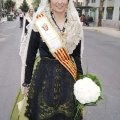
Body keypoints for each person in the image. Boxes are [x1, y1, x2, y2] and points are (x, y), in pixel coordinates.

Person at [11, 0, 84, 120]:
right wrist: (27, 82)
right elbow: (31, 55)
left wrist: (81, 81)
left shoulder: (75, 24)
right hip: (44, 79)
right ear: (49, 1)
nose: (60, 2)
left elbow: (76, 57)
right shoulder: (40, 22)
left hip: (68, 80)